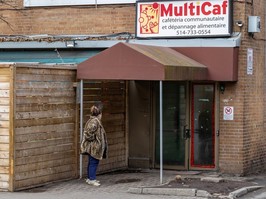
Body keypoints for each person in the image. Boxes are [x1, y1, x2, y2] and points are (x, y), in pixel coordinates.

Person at [80, 102, 108, 186]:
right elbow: (88, 134)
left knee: (91, 162)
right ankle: (92, 179)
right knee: (93, 163)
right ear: (99, 114)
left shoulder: (93, 121)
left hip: (93, 146)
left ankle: (89, 178)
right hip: (94, 147)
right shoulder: (94, 122)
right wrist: (94, 141)